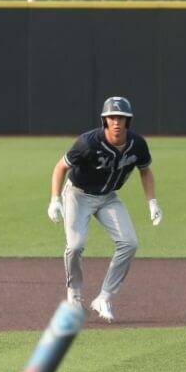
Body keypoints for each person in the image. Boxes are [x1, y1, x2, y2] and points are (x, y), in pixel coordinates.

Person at [48, 96, 161, 324]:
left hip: (108, 197)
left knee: (130, 243)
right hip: (78, 195)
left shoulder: (137, 144)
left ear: (128, 121)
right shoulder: (88, 143)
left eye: (121, 118)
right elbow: (60, 167)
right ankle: (74, 296)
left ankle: (104, 297)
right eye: (112, 117)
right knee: (76, 245)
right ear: (105, 120)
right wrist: (55, 199)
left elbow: (145, 170)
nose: (116, 122)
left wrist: (152, 202)